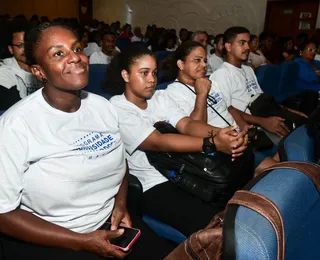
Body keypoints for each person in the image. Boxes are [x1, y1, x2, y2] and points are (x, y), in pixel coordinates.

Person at [0, 22, 175, 260]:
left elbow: (120, 163)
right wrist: (81, 242)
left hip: (109, 224)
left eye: (77, 48)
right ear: (39, 71)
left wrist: (120, 204)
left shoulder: (103, 107)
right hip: (57, 238)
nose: (75, 58)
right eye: (59, 53)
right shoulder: (16, 125)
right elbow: (4, 214)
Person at [106, 44, 249, 237]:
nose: (151, 80)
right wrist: (212, 143)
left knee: (234, 206)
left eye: (154, 73)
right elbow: (158, 141)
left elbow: (188, 126)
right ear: (126, 76)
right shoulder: (117, 107)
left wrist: (224, 133)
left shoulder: (160, 97)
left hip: (184, 168)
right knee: (214, 226)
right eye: (144, 73)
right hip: (153, 183)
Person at [210, 27, 308, 143]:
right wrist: (263, 122)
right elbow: (227, 110)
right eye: (242, 43)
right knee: (296, 142)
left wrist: (289, 110)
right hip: (252, 125)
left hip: (265, 114)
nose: (247, 47)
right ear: (228, 46)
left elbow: (261, 98)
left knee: (306, 124)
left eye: (248, 43)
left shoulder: (248, 70)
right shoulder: (221, 75)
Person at [0, 20, 42, 110]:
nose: (25, 49)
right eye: (20, 45)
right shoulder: (4, 70)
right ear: (11, 49)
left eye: (28, 45)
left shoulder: (42, 67)